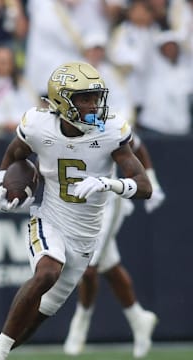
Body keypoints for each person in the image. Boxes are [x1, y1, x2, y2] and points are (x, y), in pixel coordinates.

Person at [0, 61, 152, 360]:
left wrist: (109, 183)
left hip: (86, 235)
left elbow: (144, 186)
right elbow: (13, 154)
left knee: (41, 314)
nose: (93, 104)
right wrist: (3, 186)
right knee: (46, 272)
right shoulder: (38, 125)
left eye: (95, 96)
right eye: (84, 98)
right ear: (62, 100)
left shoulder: (109, 130)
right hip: (51, 219)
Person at [63, 132, 166, 359]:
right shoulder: (53, 125)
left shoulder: (108, 123)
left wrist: (153, 182)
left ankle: (80, 322)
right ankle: (139, 320)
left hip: (107, 203)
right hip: (76, 206)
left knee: (88, 267)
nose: (87, 105)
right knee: (109, 266)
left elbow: (137, 147)